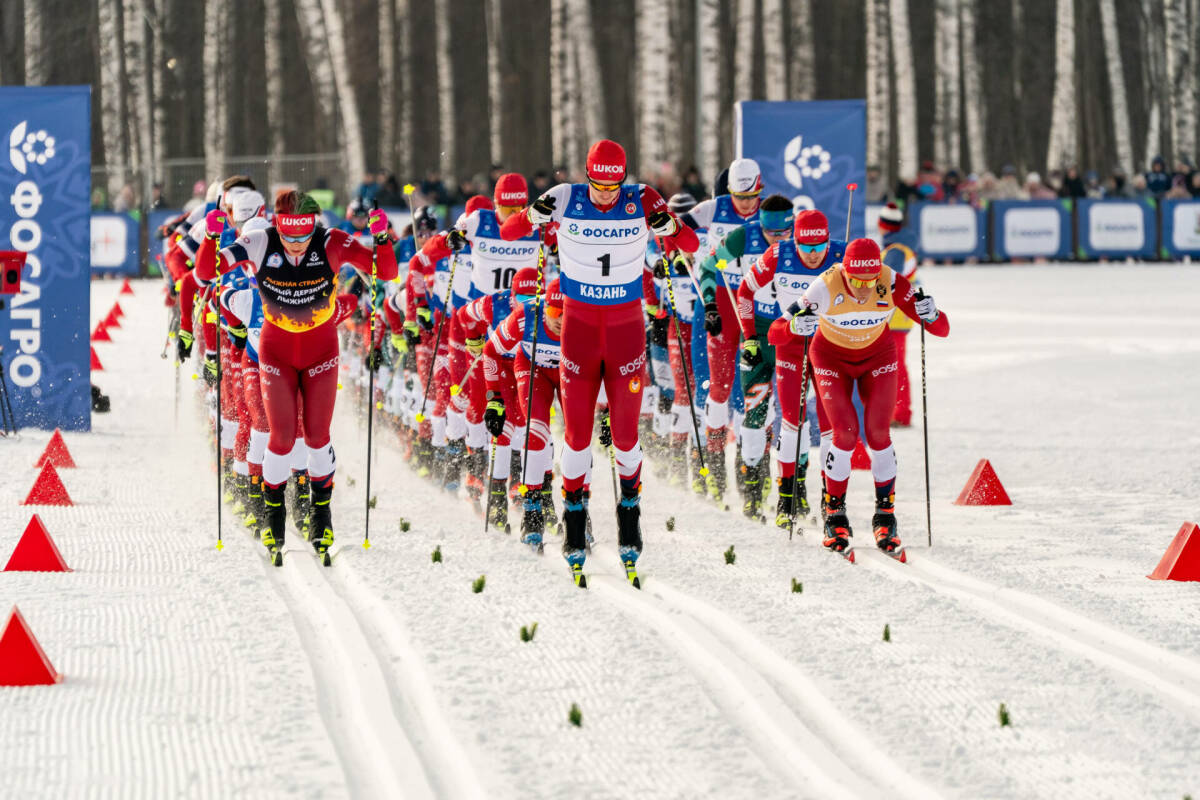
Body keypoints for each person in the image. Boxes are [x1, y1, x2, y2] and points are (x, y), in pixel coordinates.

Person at [500, 138, 698, 587]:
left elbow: (692, 241)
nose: (606, 195)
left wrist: (669, 227)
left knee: (625, 438)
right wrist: (532, 214)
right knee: (576, 436)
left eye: (614, 186)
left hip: (627, 329)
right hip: (580, 330)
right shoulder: (566, 197)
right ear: (587, 177)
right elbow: (512, 231)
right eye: (598, 186)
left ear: (623, 179)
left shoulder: (643, 198)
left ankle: (630, 513)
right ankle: (574, 517)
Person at [195, 190, 397, 562]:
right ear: (277, 226)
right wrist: (210, 238)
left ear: (313, 227)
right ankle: (274, 516)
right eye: (289, 238)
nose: (296, 248)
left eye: (304, 238)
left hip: (321, 352)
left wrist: (382, 238)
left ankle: (321, 516)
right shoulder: (258, 242)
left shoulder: (333, 241)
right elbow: (206, 273)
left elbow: (386, 271)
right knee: (281, 437)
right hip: (276, 353)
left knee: (318, 437)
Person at [783, 238, 949, 556]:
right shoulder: (825, 285)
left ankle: (885, 516)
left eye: (869, 281)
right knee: (844, 434)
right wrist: (794, 324)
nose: (862, 289)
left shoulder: (890, 280)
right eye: (856, 281)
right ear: (844, 272)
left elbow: (941, 329)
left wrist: (931, 314)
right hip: (831, 358)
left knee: (878, 434)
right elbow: (778, 331)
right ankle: (835, 515)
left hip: (878, 357)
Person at [735, 203, 845, 525]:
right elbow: (744, 291)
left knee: (828, 426)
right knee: (776, 417)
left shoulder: (841, 255)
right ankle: (769, 496)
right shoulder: (777, 255)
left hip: (827, 348)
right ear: (794, 240)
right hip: (784, 343)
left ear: (828, 240)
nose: (812, 254)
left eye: (819, 246)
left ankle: (820, 499)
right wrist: (750, 336)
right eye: (805, 246)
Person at [685, 158, 765, 502]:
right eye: (738, 196)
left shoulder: (770, 218)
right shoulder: (713, 208)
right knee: (718, 384)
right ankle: (710, 460)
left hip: (755, 303)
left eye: (752, 196)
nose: (745, 204)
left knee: (755, 389)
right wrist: (677, 249)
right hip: (719, 298)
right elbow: (676, 227)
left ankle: (751, 467)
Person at [877, 202, 918, 427]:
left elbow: (889, 283)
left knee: (895, 368)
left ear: (882, 226)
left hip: (893, 317)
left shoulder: (895, 251)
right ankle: (898, 411)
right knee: (895, 367)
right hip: (897, 317)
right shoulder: (900, 248)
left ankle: (900, 413)